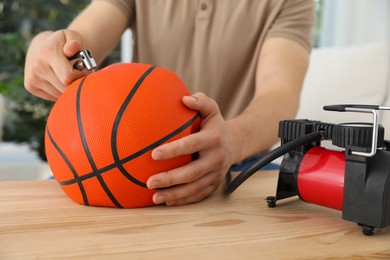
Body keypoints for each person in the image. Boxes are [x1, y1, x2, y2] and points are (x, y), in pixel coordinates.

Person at [24, 0, 315, 206]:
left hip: (239, 158)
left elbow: (279, 98)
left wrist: (229, 143)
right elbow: (81, 47)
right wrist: (52, 47)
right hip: (128, 159)